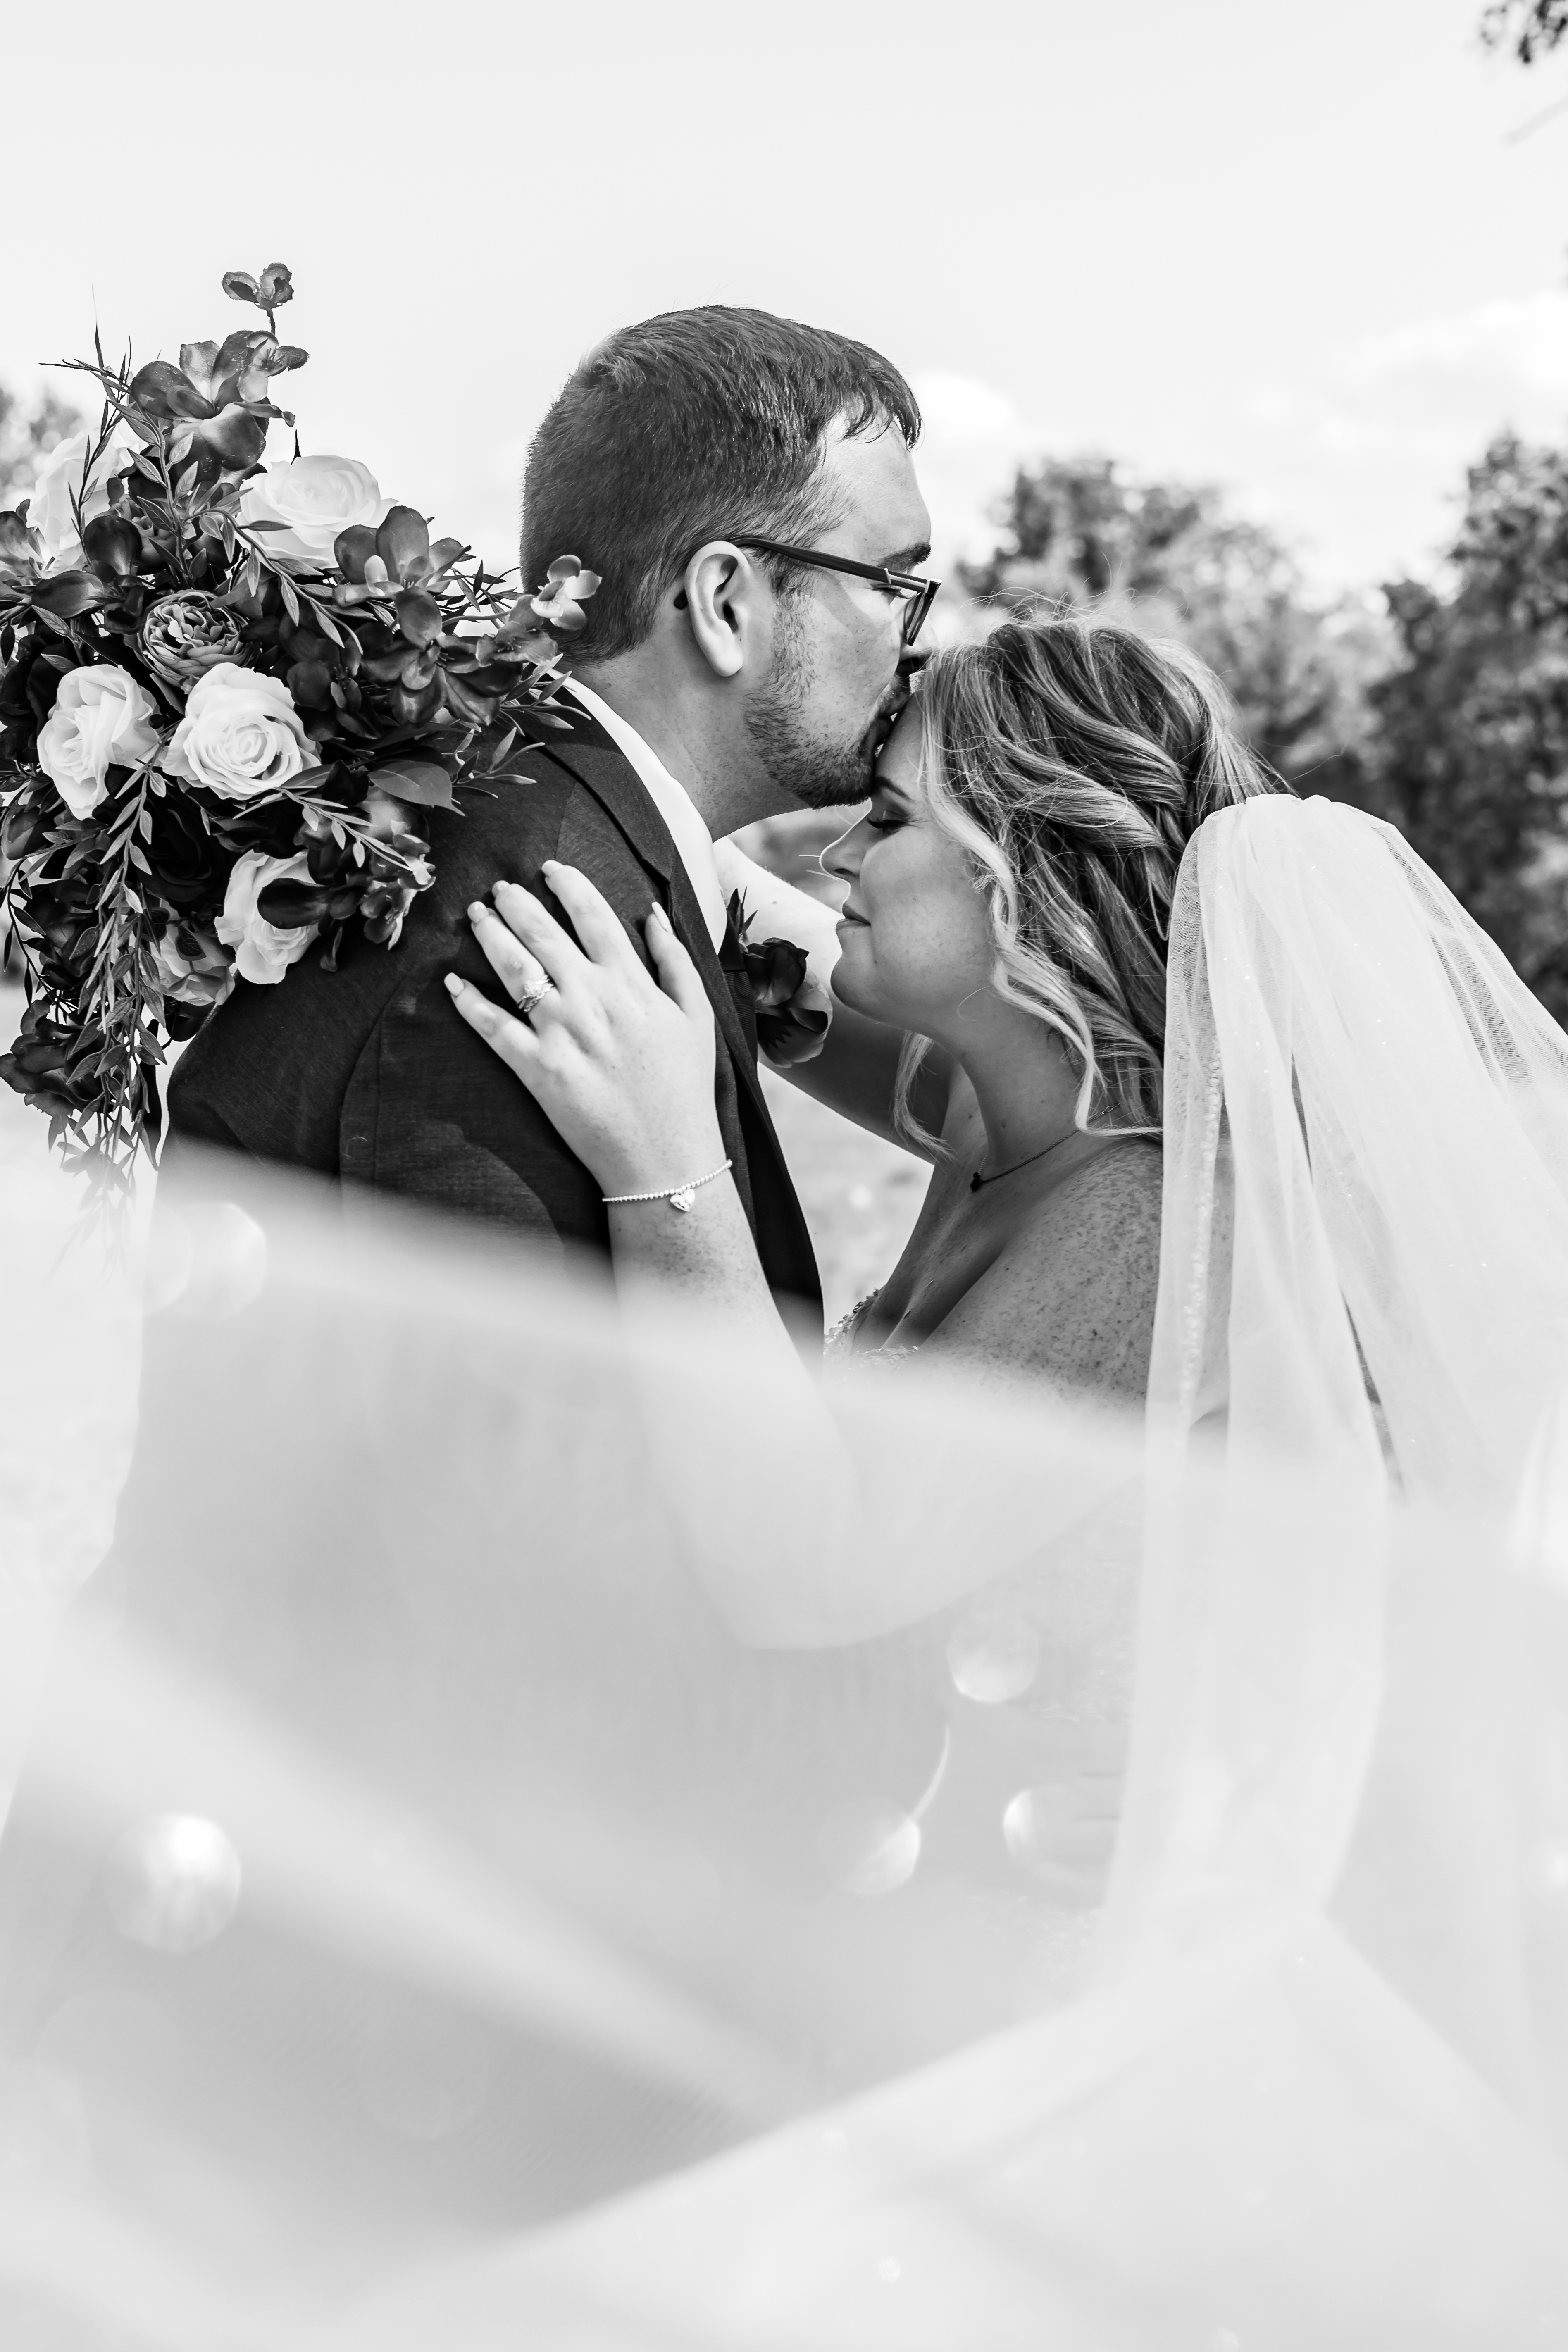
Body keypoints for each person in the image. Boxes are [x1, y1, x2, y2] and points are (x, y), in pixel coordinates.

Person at [164, 306, 938, 1319]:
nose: (916, 636)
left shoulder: (536, 830)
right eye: (893, 582)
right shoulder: (531, 946)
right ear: (725, 601)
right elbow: (518, 1462)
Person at [448, 614, 1285, 1402]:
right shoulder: (997, 1095)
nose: (839, 854)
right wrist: (412, 651)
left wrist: (666, 1168)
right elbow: (684, 850)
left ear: (1032, 871)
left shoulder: (1147, 1233)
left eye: (887, 819)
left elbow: (828, 1557)